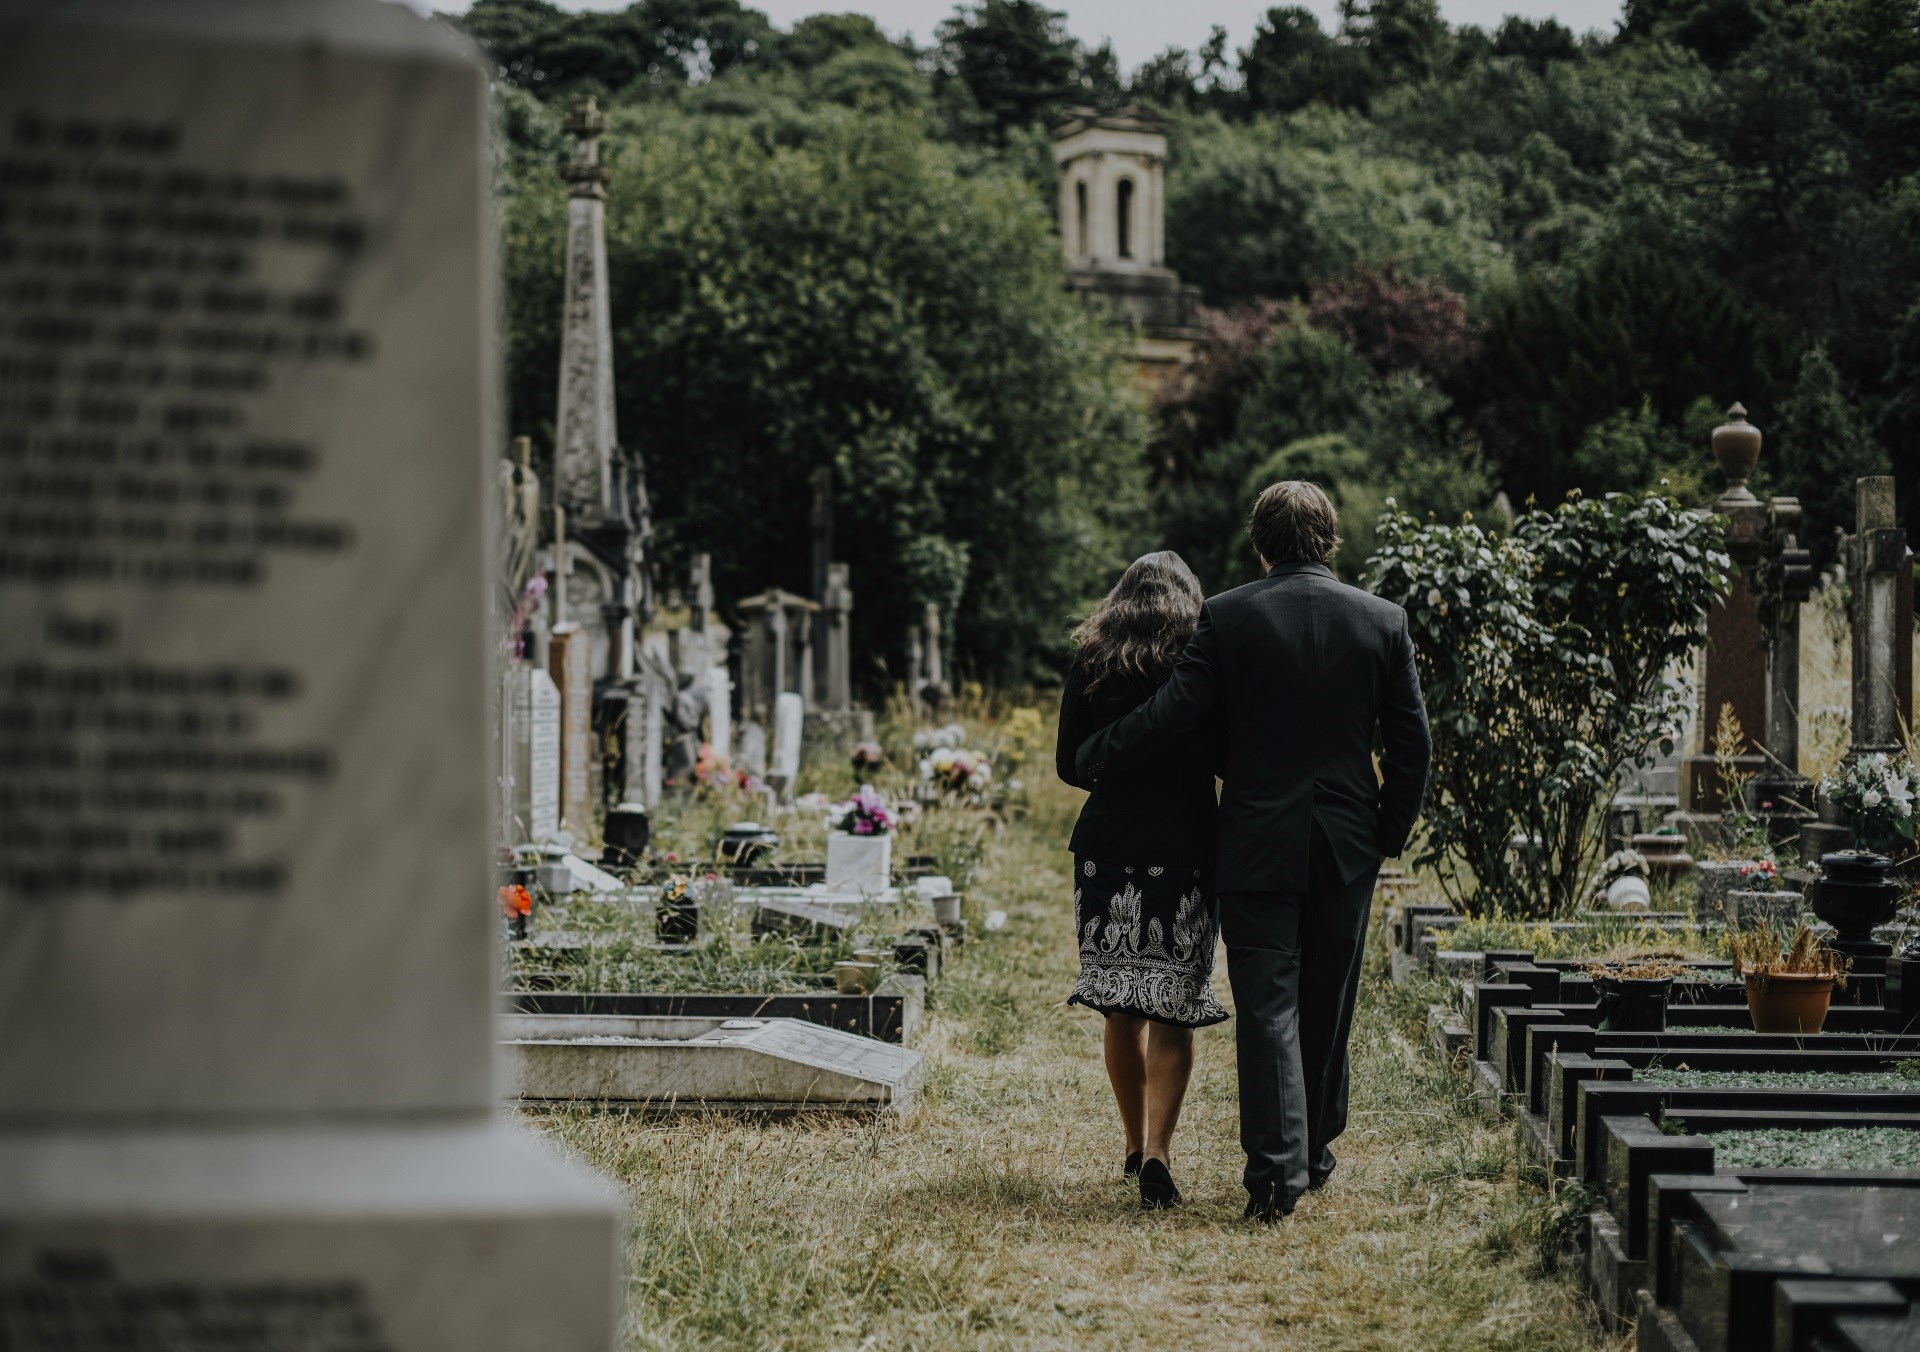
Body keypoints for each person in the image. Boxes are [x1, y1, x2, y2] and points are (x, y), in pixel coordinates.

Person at [1076, 482, 1430, 1222]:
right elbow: (1411, 750)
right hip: (1346, 844)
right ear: (1329, 540)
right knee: (1329, 1000)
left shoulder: (1229, 616)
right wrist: (1381, 835)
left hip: (1256, 841)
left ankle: (1275, 1179)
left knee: (1267, 1005)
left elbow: (1175, 712)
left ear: (1260, 545)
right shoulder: (1383, 621)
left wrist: (1100, 750)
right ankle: (1313, 1151)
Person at [1056, 551, 1227, 1210]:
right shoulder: (1202, 662)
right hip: (1185, 847)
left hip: (1107, 848)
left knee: (1119, 1005)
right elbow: (1223, 756)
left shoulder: (1094, 657)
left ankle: (1131, 1146)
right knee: (1172, 1006)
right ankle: (1160, 1150)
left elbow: (1070, 764)